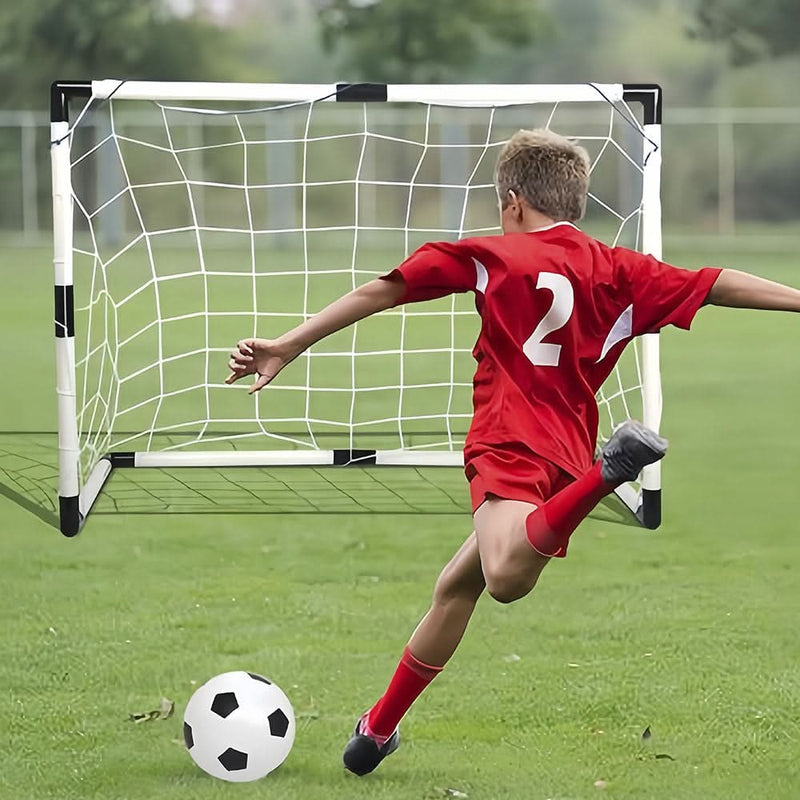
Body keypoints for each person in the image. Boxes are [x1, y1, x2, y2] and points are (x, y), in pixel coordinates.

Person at [226, 128, 800, 777]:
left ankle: (611, 475)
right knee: (457, 585)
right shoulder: (621, 270)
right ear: (576, 203)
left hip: (509, 437)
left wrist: (289, 343)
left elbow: (382, 289)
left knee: (503, 576)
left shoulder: (494, 254)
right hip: (566, 450)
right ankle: (377, 730)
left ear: (513, 201)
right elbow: (716, 281)